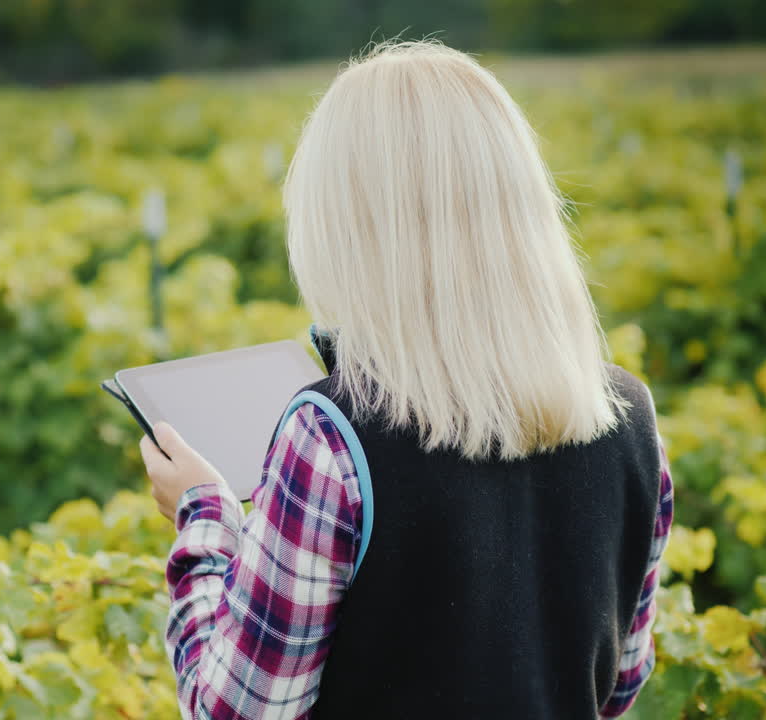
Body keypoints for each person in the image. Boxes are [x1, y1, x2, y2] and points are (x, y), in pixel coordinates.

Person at [139, 40, 672, 720]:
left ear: (346, 224)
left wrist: (206, 515)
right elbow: (620, 682)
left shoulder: (330, 436)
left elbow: (235, 713)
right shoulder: (629, 415)